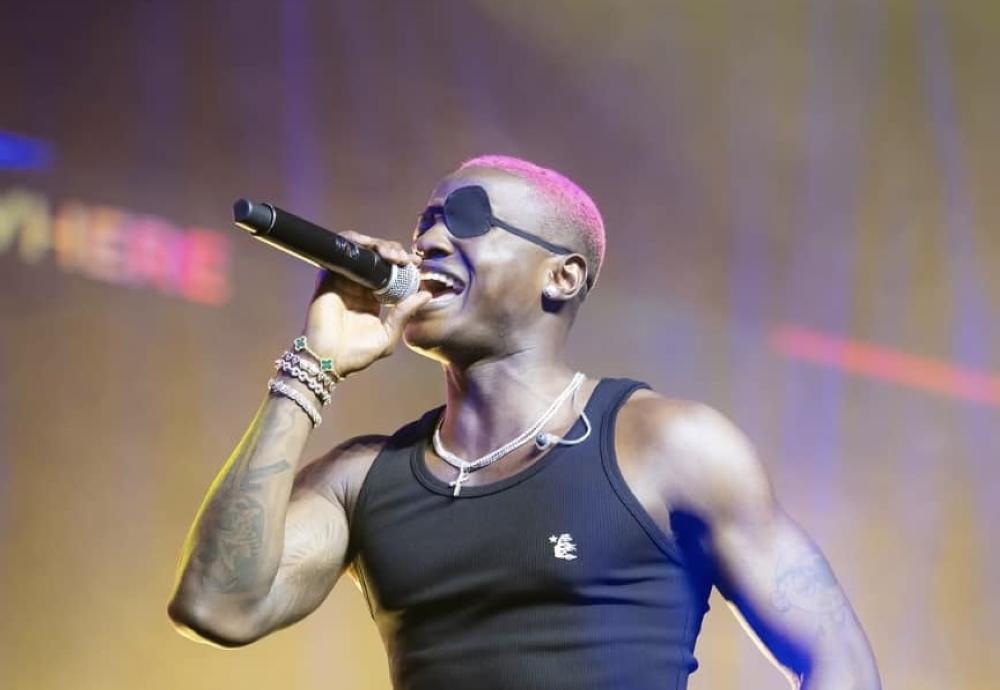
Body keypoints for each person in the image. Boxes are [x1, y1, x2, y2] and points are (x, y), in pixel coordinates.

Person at [168, 155, 881, 689]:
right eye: (425, 225)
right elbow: (217, 608)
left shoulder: (665, 445)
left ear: (562, 276)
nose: (430, 241)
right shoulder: (363, 479)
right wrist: (311, 365)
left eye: (467, 219)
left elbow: (837, 660)